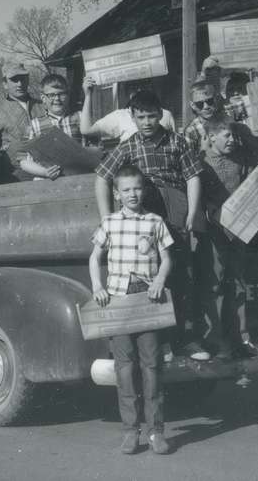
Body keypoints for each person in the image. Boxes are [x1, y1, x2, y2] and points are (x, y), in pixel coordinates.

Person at [93, 90, 209, 361]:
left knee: (183, 273)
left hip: (176, 208)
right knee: (154, 276)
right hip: (146, 213)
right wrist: (106, 218)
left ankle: (188, 339)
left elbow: (192, 177)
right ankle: (163, 343)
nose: (147, 122)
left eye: (152, 116)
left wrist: (192, 212)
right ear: (132, 117)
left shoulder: (178, 142)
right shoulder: (127, 146)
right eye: (141, 117)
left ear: (161, 115)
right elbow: (101, 178)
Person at [89, 165, 173, 455]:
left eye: (137, 188)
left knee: (151, 367)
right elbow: (94, 258)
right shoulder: (109, 223)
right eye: (126, 190)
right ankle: (130, 431)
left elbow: (166, 258)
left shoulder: (154, 221)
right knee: (125, 369)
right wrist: (97, 286)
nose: (132, 194)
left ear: (144, 190)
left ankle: (156, 432)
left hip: (148, 301)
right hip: (118, 301)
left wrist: (160, 279)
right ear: (117, 193)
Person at [199, 114, 258, 357]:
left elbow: (256, 182)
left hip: (238, 231)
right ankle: (216, 341)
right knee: (215, 285)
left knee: (239, 284)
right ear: (212, 137)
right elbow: (195, 193)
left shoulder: (241, 159)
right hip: (214, 232)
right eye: (227, 136)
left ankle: (242, 339)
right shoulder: (201, 162)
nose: (232, 140)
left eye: (233, 135)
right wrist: (208, 209)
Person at [0, 63, 44, 182]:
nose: (20, 84)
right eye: (14, 80)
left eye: (23, 79)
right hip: (14, 177)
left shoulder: (43, 106)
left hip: (48, 171)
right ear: (5, 84)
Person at [20, 73, 84, 180]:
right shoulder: (34, 125)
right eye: (51, 95)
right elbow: (24, 161)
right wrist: (45, 172)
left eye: (61, 94)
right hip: (46, 182)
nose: (57, 99)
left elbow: (96, 150)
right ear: (43, 98)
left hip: (78, 178)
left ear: (68, 95)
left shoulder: (80, 117)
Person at [80, 75, 176, 144]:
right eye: (133, 87)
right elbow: (86, 130)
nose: (139, 91)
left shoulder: (165, 114)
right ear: (128, 93)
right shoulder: (120, 116)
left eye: (143, 86)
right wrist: (88, 95)